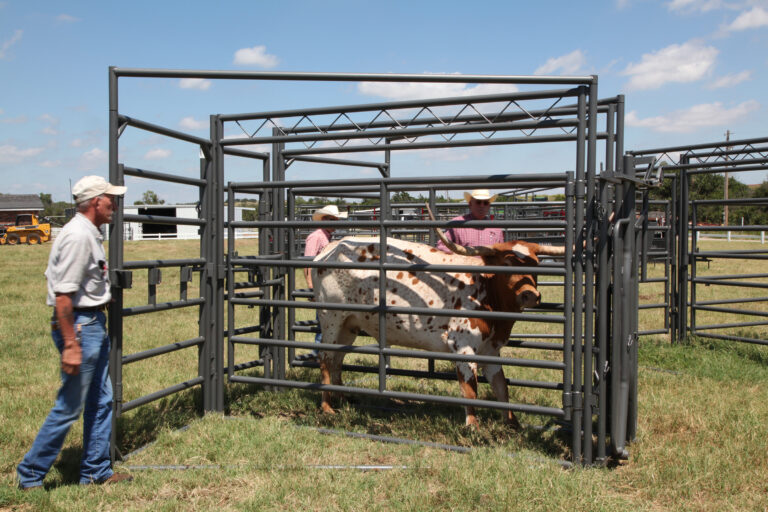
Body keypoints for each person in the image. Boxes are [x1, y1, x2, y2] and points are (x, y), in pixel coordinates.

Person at [17, 175, 133, 490]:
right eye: (111, 198)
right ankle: (30, 474)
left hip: (88, 324)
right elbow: (63, 295)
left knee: (100, 399)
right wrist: (70, 343)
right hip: (80, 327)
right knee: (70, 405)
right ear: (96, 201)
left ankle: (95, 471)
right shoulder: (79, 236)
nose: (115, 204)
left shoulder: (86, 233)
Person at [298, 204, 346, 361]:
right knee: (323, 318)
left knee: (327, 318)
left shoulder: (326, 236)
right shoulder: (316, 236)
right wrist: (311, 287)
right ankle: (318, 352)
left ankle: (323, 351)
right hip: (320, 284)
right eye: (334, 220)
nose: (336, 224)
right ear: (325, 219)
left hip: (328, 284)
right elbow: (308, 262)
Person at [436, 189, 503, 253]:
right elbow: (442, 246)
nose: (482, 206)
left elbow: (501, 253)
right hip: (464, 263)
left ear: (489, 206)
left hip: (488, 264)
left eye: (485, 203)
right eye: (478, 202)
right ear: (470, 204)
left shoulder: (496, 228)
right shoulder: (456, 223)